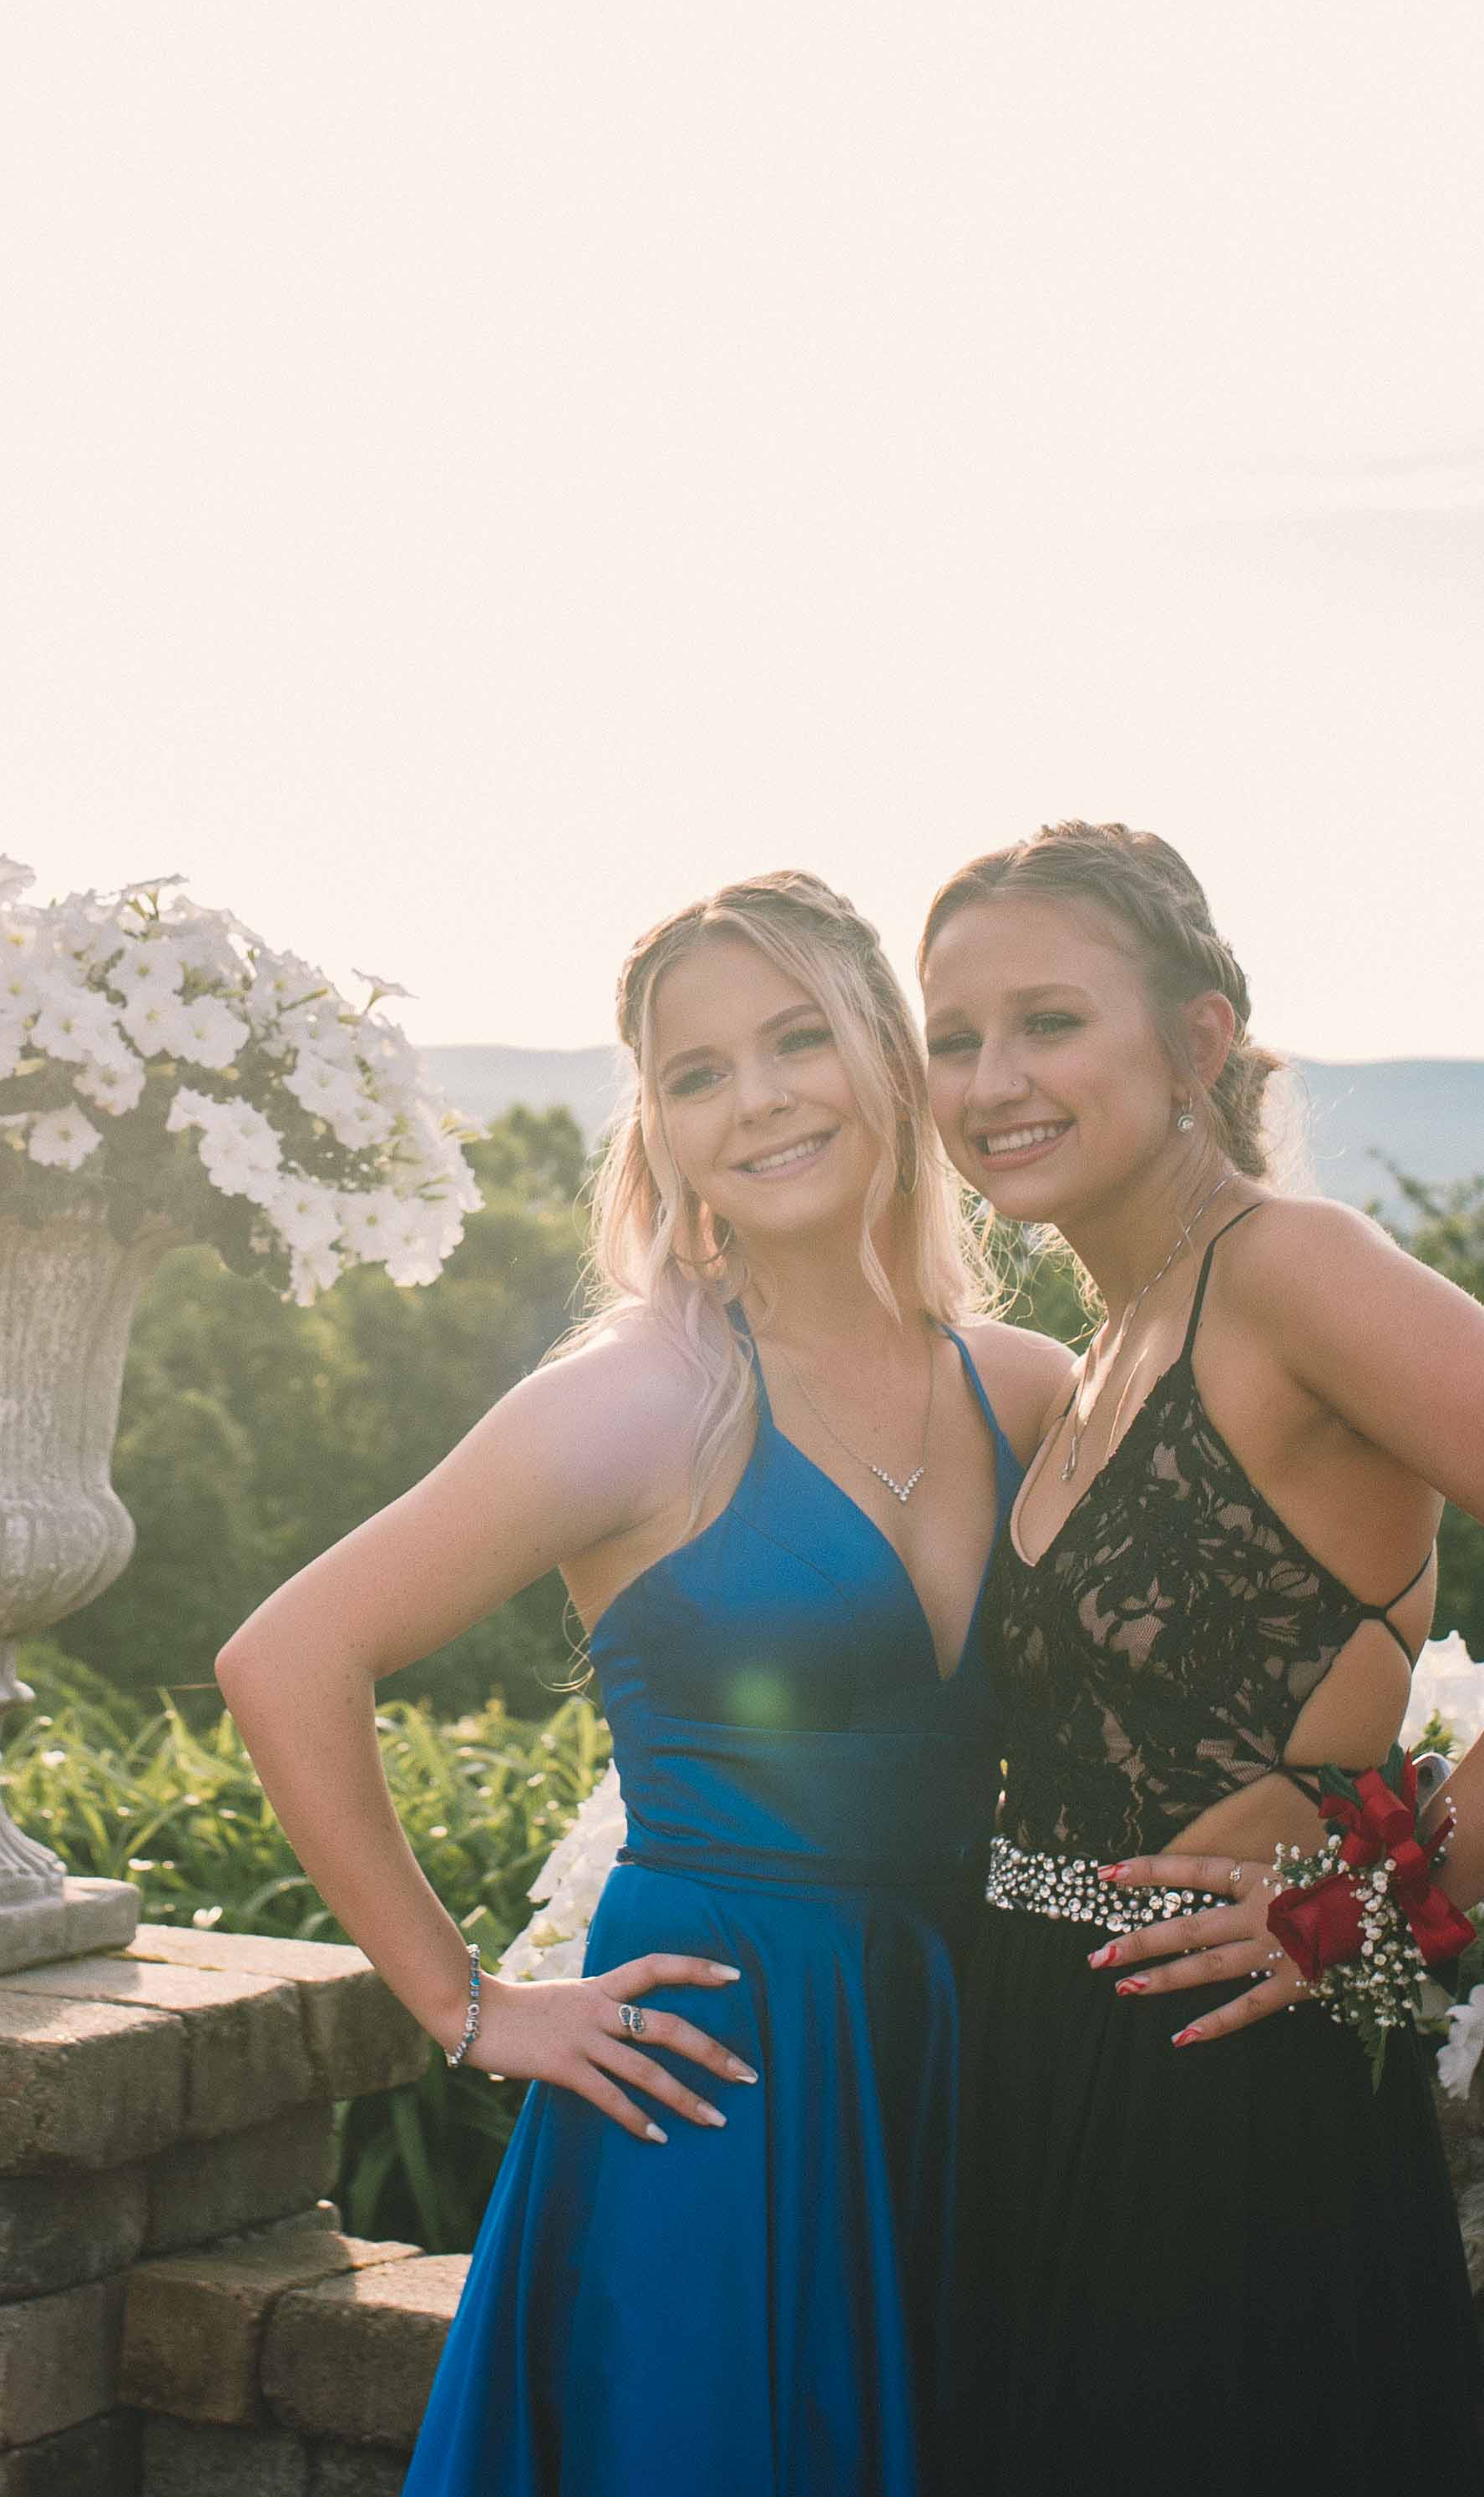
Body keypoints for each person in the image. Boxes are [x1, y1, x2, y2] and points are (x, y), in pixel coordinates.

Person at [917, 823, 1484, 2493]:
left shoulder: (1288, 1270)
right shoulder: (1107, 1335)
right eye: (951, 1038)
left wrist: (1382, 1900)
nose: (990, 1078)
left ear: (1199, 1039)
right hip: (1041, 2061)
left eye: (1047, 1021)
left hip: (1213, 2094)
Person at [219, 875, 1069, 2497]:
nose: (755, 1098)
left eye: (795, 1039)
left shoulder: (1023, 1389)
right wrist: (467, 2007)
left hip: (954, 2060)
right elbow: (287, 1655)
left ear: (884, 1056)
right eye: (695, 1073)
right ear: (658, 1133)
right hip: (715, 2088)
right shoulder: (645, 1400)